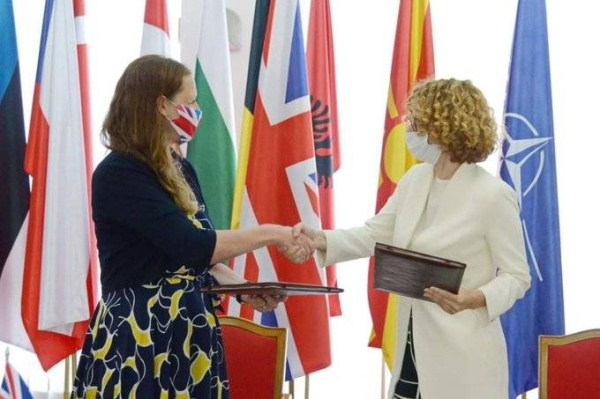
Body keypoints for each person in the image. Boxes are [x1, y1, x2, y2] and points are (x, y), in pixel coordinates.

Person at [71, 54, 311, 398]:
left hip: (189, 332)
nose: (198, 109)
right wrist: (273, 233)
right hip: (140, 333)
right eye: (191, 100)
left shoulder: (181, 169)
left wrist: (243, 288)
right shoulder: (120, 173)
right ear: (162, 105)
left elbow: (202, 260)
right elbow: (193, 245)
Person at [290, 78, 531, 399]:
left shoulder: (492, 195)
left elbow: (518, 276)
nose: (409, 131)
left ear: (443, 127)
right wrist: (319, 239)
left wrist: (475, 298)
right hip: (411, 344)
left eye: (416, 123)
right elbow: (375, 234)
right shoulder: (415, 179)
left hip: (464, 358)